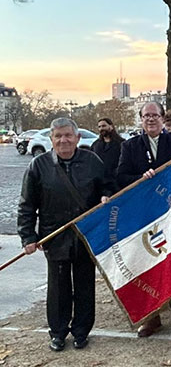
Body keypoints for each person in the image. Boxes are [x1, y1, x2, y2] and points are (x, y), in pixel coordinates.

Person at [18, 117, 112, 351]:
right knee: (58, 287)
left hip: (85, 235)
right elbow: (26, 205)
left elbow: (108, 186)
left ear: (77, 138)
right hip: (54, 236)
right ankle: (58, 332)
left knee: (84, 284)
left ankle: (81, 331)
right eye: (58, 136)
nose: (63, 140)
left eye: (68, 135)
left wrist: (106, 196)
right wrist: (28, 237)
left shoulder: (92, 161)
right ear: (51, 139)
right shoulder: (38, 166)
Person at [116, 101, 171, 337]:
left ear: (163, 118)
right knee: (149, 263)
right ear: (141, 119)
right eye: (146, 116)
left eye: (155, 115)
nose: (150, 119)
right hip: (145, 216)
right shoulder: (130, 146)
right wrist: (141, 178)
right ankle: (152, 316)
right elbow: (121, 176)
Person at [91, 117, 124, 189]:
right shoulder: (95, 145)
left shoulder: (122, 144)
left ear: (111, 126)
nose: (101, 128)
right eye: (99, 127)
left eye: (104, 126)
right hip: (100, 184)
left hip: (117, 183)